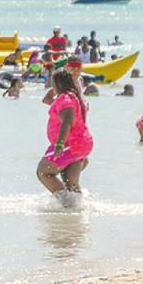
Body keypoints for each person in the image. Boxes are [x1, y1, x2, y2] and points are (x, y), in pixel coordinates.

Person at [36, 69, 93, 199]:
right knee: (70, 183)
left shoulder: (65, 99)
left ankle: (65, 202)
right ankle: (77, 207)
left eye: (53, 83)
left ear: (58, 84)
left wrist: (59, 144)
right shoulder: (76, 98)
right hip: (80, 145)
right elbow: (46, 99)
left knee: (43, 172)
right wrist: (61, 85)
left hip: (69, 144)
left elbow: (67, 120)